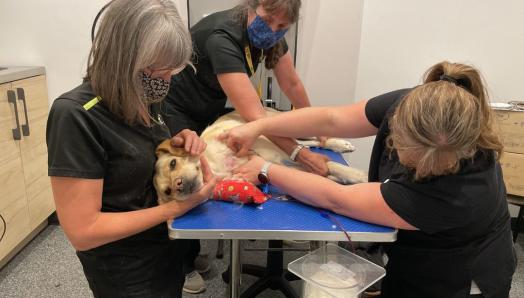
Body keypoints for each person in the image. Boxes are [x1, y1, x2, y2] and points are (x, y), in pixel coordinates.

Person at [221, 61, 517, 297]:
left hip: (461, 277)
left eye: (428, 165)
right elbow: (331, 119)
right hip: (419, 255)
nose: (412, 167)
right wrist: (258, 125)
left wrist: (266, 169)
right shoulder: (421, 106)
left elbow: (335, 198)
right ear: (399, 120)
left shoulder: (452, 196)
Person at [46, 1, 218, 297]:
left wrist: (176, 144)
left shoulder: (146, 95)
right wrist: (177, 207)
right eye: (159, 71)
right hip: (125, 271)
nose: (166, 82)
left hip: (164, 251)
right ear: (124, 58)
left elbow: (137, 155)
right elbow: (84, 231)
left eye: (171, 72)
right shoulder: (75, 115)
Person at [161, 0, 329, 292]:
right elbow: (257, 118)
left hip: (209, 104)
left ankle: (200, 251)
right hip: (178, 108)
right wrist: (300, 153)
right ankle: (184, 264)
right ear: (252, 6)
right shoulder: (222, 38)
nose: (274, 30)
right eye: (269, 20)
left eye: (282, 27)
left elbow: (291, 84)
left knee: (229, 166)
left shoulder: (271, 35)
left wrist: (313, 127)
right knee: (187, 180)